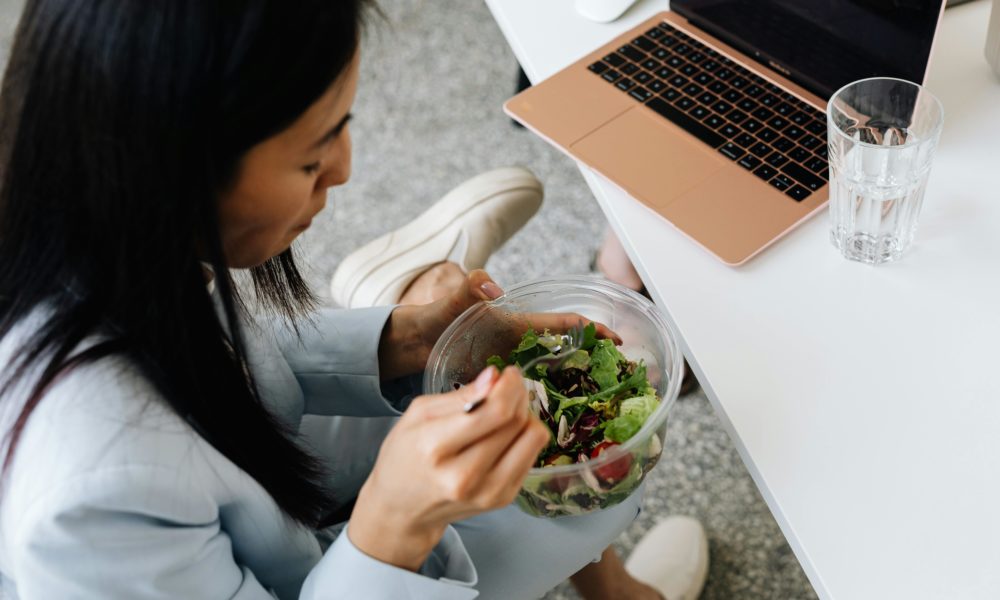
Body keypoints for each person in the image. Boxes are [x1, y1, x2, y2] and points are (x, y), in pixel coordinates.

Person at [0, 1, 707, 599]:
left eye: (344, 126)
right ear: (173, 173)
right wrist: (394, 525)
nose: (345, 170)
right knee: (566, 504)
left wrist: (407, 337)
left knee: (548, 431)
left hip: (259, 477)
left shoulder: (99, 232)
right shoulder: (87, 504)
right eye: (313, 155)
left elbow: (242, 360)